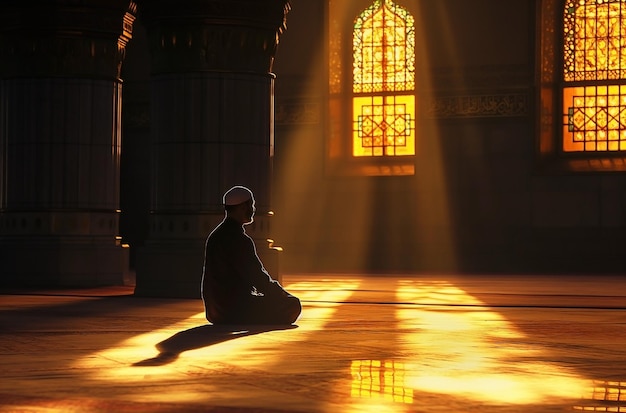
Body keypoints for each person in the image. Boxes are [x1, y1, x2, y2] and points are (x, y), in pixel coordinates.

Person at [201, 186, 301, 325]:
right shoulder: (240, 240)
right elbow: (257, 278)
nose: (253, 209)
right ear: (242, 207)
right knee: (293, 305)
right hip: (234, 310)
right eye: (251, 205)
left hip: (215, 312)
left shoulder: (215, 236)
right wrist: (281, 294)